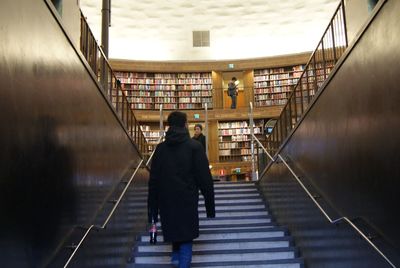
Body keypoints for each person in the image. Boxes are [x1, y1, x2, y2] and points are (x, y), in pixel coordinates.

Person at [147, 111, 215, 268]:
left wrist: (152, 211)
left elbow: (154, 181)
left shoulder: (161, 149)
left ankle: (176, 261)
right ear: (185, 125)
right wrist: (210, 207)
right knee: (186, 236)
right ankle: (181, 264)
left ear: (169, 126)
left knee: (175, 233)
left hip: (166, 201)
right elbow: (205, 179)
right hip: (187, 200)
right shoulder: (194, 147)